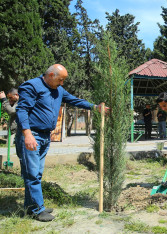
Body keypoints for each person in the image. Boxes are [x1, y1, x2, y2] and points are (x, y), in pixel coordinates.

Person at [16, 64, 104, 222]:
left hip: (44, 136)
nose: (62, 83)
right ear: (50, 75)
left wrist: (95, 107)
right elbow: (22, 110)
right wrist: (27, 134)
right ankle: (38, 209)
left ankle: (31, 207)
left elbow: (75, 101)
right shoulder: (32, 86)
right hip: (32, 135)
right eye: (60, 80)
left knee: (36, 173)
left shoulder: (59, 90)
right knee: (32, 174)